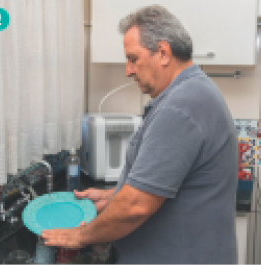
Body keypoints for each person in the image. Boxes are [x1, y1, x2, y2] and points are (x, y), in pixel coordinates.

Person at [42, 5, 238, 264]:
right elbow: (167, 184)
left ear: (163, 53)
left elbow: (135, 206)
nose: (128, 70)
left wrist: (80, 236)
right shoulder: (193, 92)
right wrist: (114, 194)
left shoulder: (180, 107)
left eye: (133, 58)